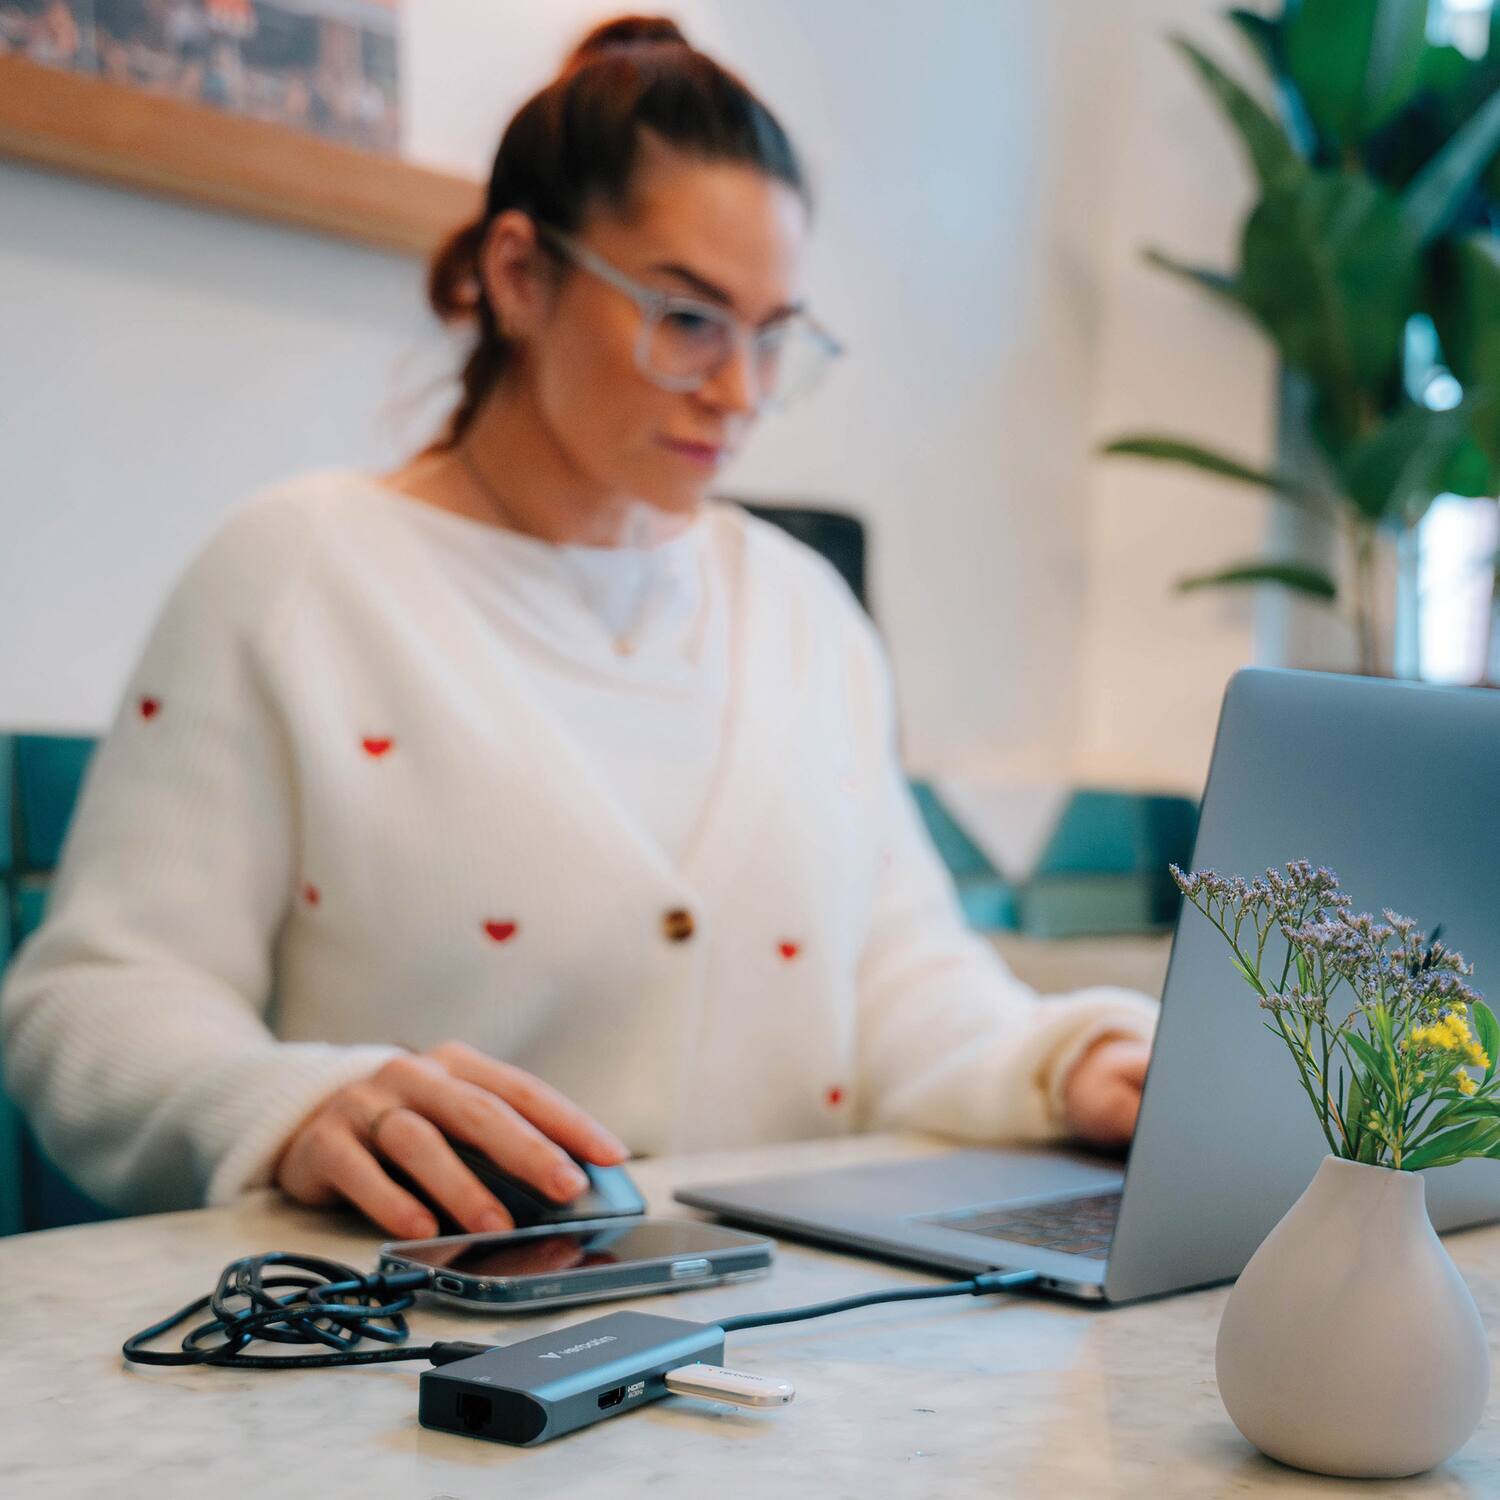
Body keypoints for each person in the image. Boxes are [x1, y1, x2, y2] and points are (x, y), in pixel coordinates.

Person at [1, 16, 1155, 1244]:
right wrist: (300, 1105)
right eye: (688, 318)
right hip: (421, 1336)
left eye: (773, 334)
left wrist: (1069, 1064)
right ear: (518, 275)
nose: (740, 392)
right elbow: (91, 1003)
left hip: (801, 1331)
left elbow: (905, 986)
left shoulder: (805, 613)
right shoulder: (297, 576)